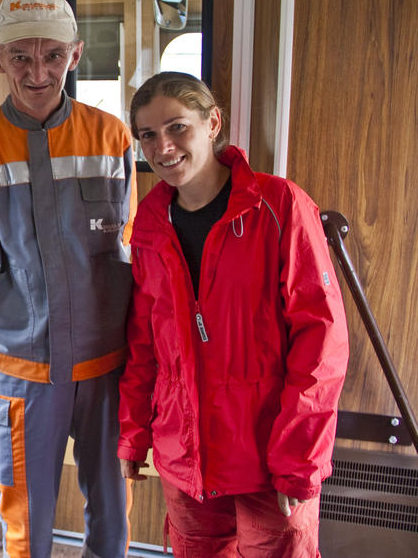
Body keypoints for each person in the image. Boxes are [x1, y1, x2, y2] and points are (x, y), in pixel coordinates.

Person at [0, 0, 136, 558]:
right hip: (22, 369)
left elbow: (129, 240)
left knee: (112, 510)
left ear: (75, 54)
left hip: (106, 362)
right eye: (21, 57)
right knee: (26, 515)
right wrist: (16, 314)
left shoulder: (111, 137)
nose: (38, 72)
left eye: (52, 55)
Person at [117, 72, 349, 557]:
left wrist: (298, 458)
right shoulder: (149, 227)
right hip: (187, 460)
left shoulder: (278, 204)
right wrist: (133, 437)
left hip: (270, 462)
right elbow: (144, 346)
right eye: (148, 135)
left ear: (213, 122)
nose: (163, 147)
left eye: (177, 127)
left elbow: (321, 343)